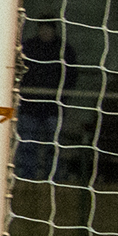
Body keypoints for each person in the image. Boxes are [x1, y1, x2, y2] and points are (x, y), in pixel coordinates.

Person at [15, 17, 77, 182]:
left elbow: (71, 76)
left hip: (52, 107)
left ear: (53, 30)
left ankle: (54, 179)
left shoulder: (63, 50)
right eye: (42, 29)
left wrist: (62, 96)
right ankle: (28, 178)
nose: (44, 32)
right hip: (30, 105)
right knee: (28, 144)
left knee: (54, 146)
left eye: (47, 29)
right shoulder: (29, 47)